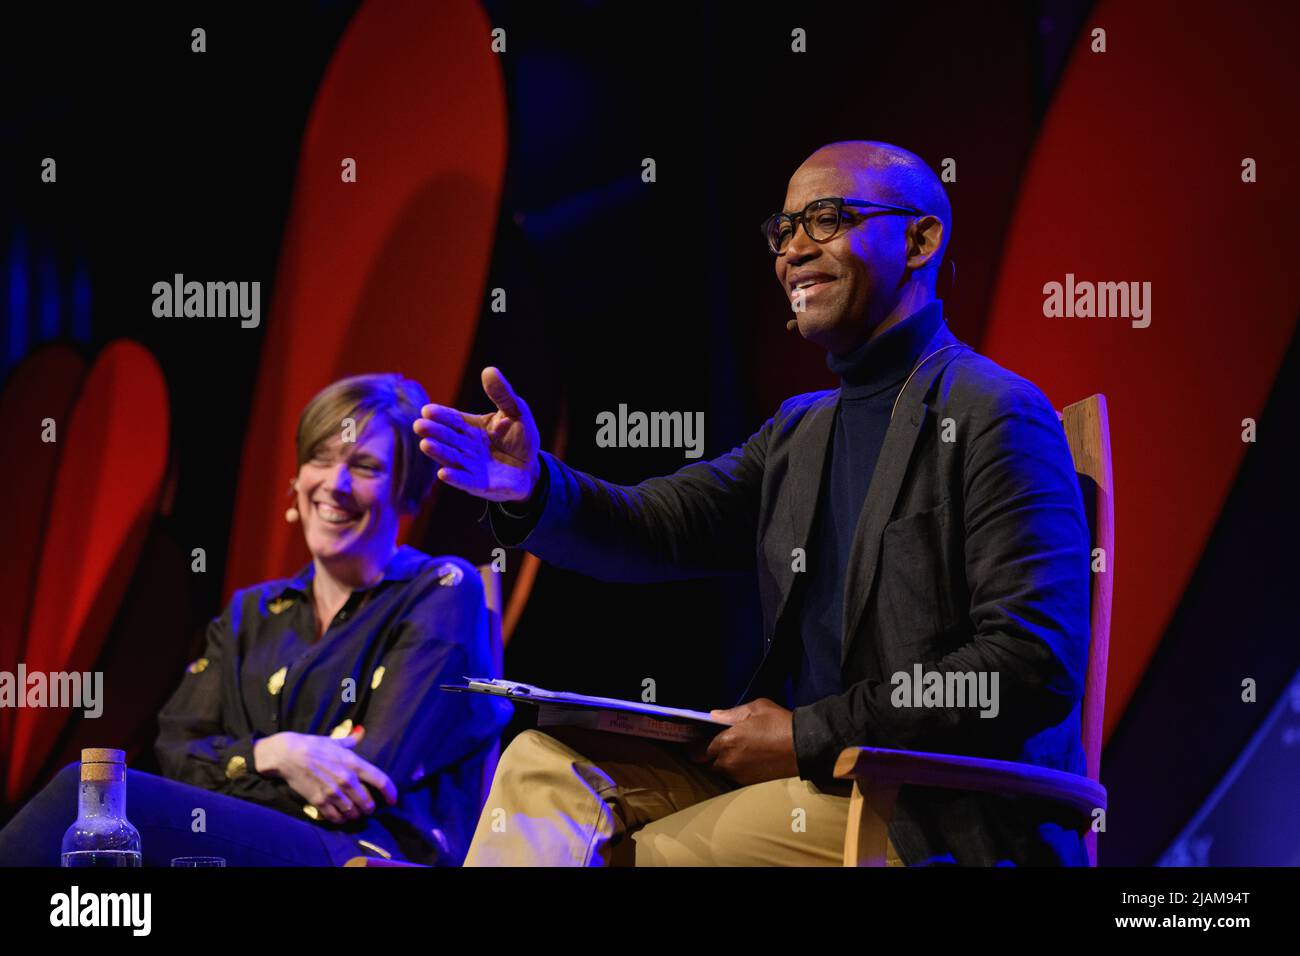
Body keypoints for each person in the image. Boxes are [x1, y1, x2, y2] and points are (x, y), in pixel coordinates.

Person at [414, 141, 1093, 866]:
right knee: (544, 768)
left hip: (927, 814)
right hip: (810, 789)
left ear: (921, 239)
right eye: (784, 230)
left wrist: (809, 734)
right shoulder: (802, 431)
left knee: (634, 855)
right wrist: (530, 485)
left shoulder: (993, 412)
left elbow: (1026, 664)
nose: (793, 249)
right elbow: (656, 528)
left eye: (826, 220)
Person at [0, 373, 509, 866]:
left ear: (407, 493)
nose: (336, 483)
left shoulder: (442, 589)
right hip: (241, 842)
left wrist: (227, 766)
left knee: (86, 800)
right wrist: (274, 753)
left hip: (365, 854)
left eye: (366, 466)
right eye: (320, 458)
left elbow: (368, 780)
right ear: (296, 481)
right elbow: (176, 750)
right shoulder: (251, 611)